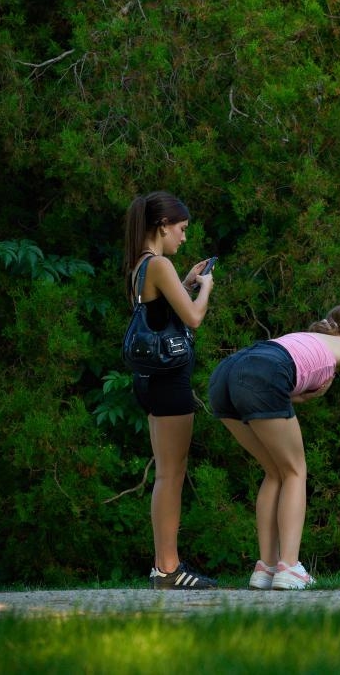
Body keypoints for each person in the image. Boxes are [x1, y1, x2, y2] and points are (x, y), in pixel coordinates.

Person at [208, 304, 340, 590]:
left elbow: (262, 381)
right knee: (295, 471)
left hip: (225, 375)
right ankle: (289, 567)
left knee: (275, 472)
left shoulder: (307, 339)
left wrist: (303, 398)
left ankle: (266, 568)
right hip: (262, 372)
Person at [123, 191, 217, 589]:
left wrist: (185, 282)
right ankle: (168, 568)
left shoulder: (141, 265)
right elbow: (192, 317)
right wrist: (205, 287)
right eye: (181, 229)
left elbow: (159, 312)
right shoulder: (159, 264)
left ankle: (164, 566)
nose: (184, 237)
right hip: (169, 382)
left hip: (149, 382)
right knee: (171, 475)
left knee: (166, 474)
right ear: (162, 226)